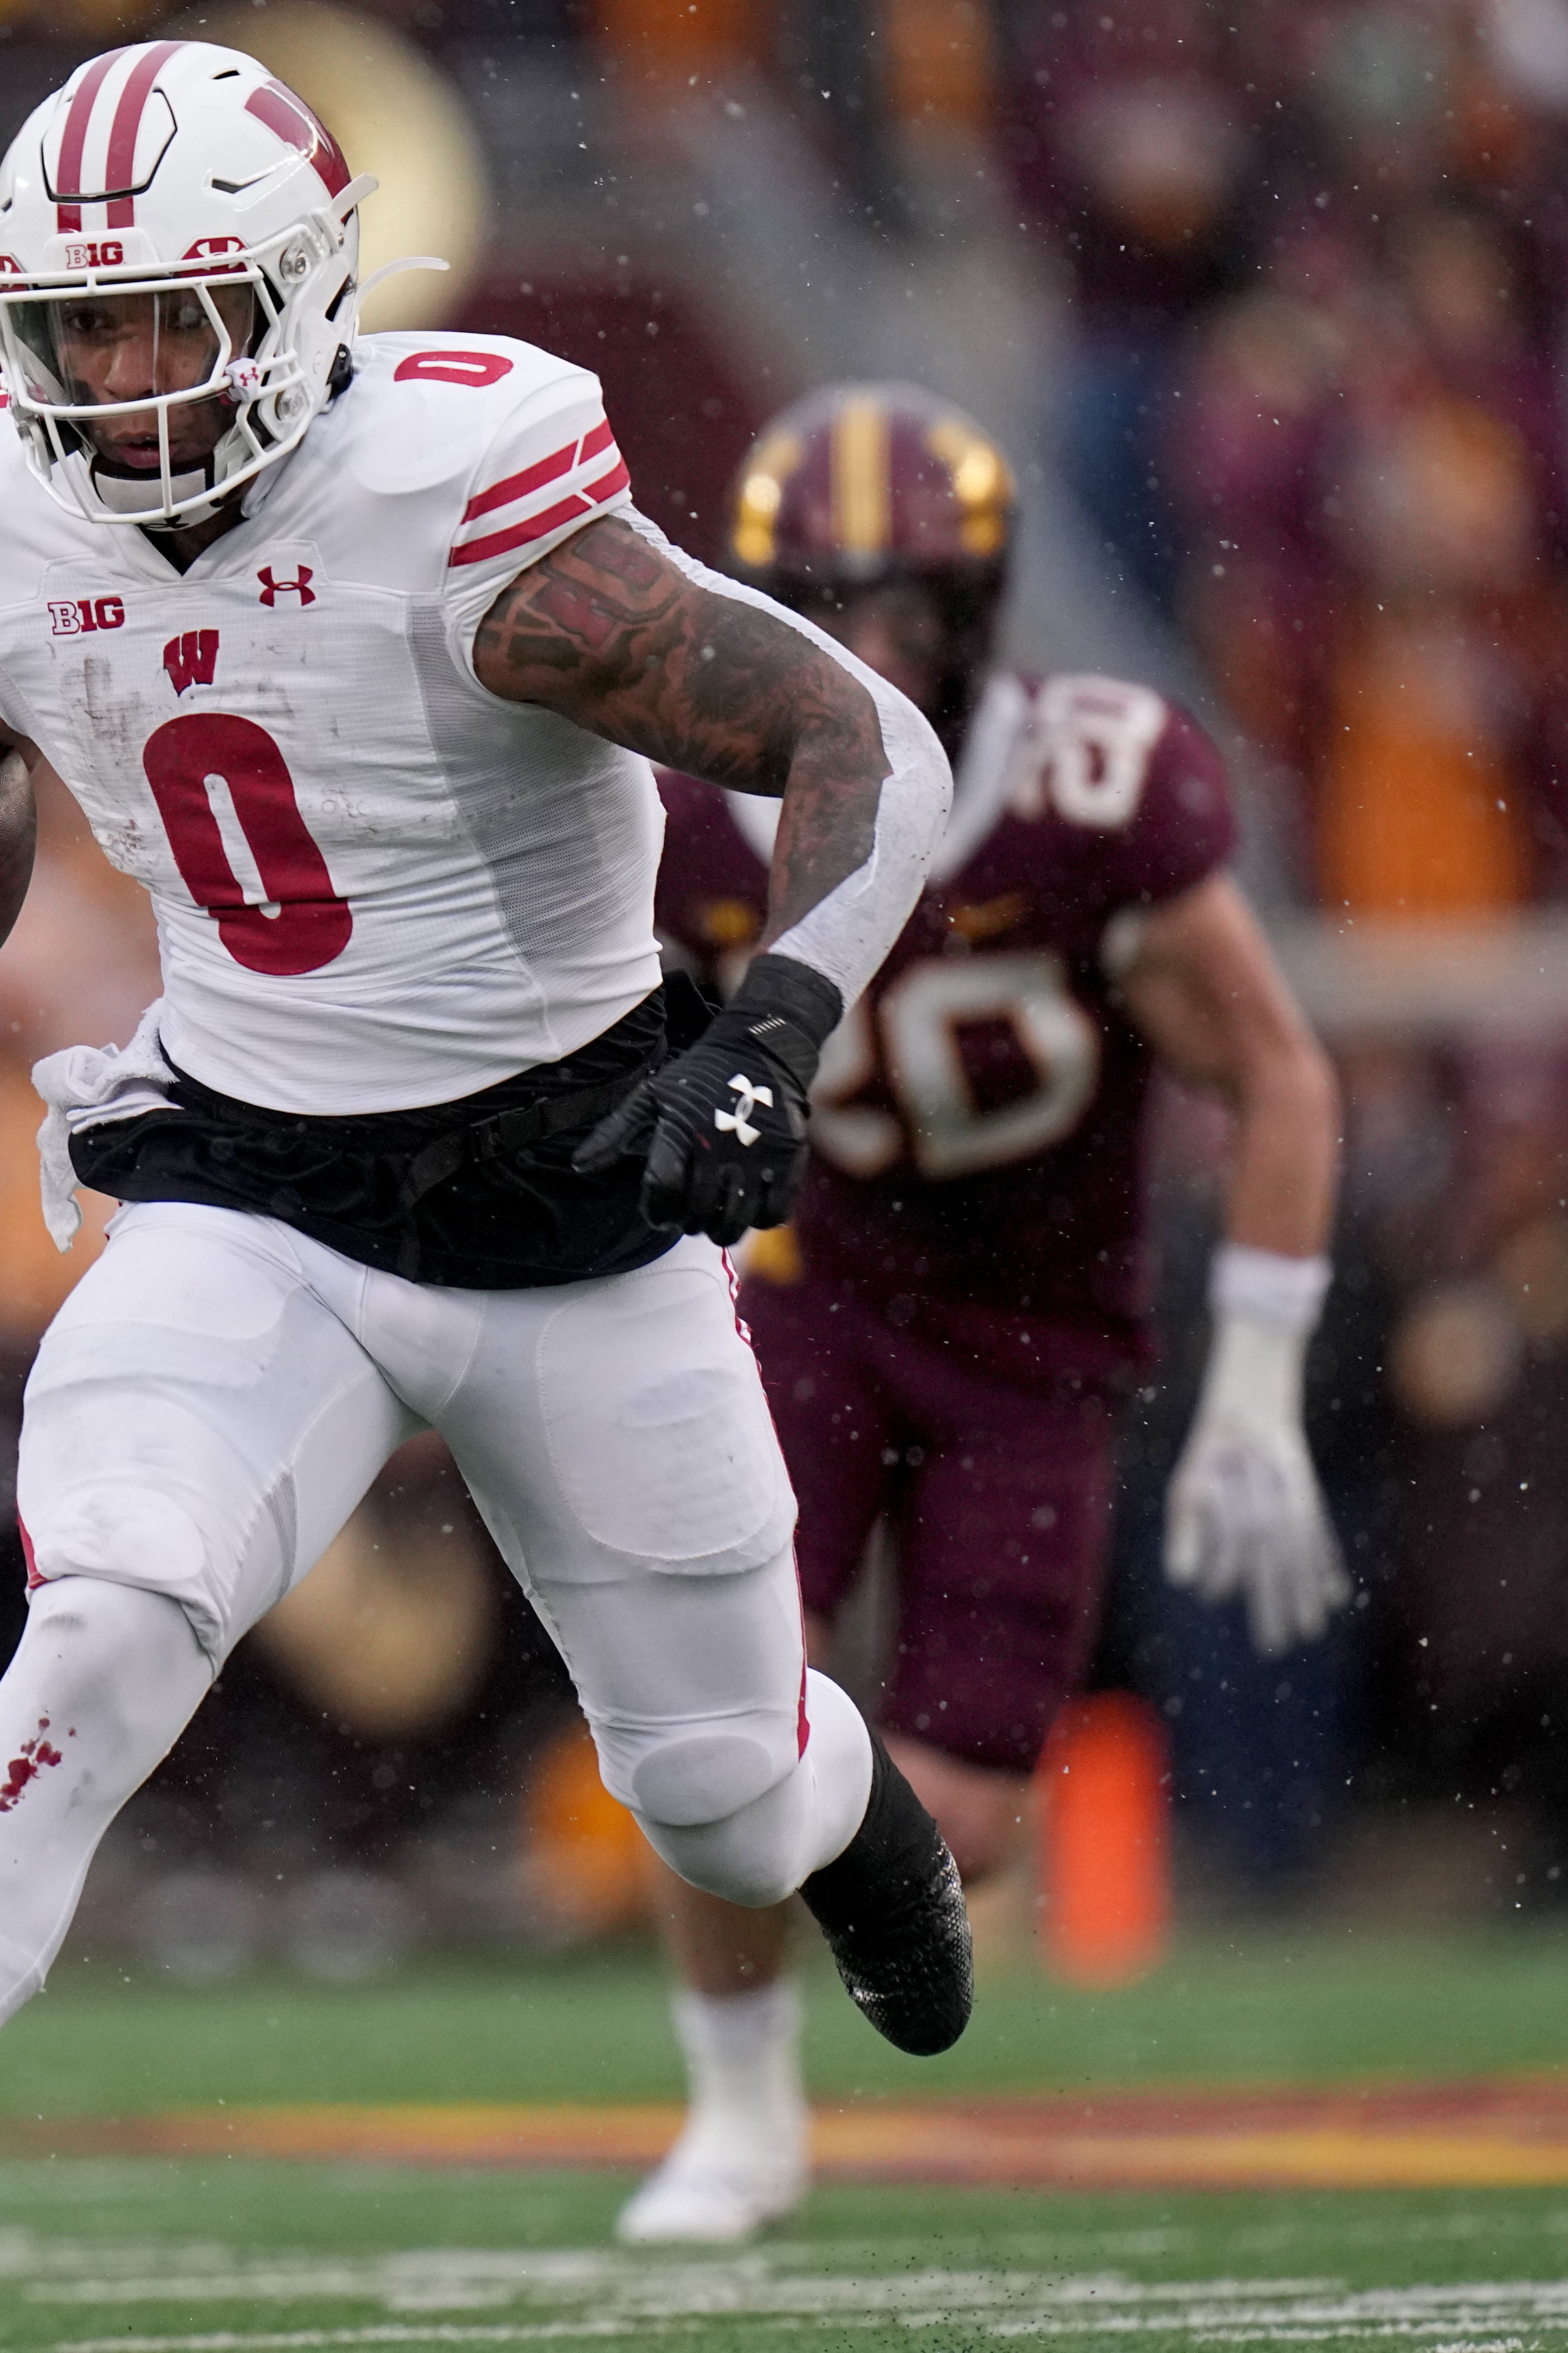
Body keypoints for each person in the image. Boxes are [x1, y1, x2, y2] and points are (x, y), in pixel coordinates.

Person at [0, 44, 965, 2351]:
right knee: (103, 1629)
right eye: (78, 330)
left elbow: (869, 734)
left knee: (715, 1797)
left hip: (576, 1193)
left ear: (307, 294)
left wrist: (773, 1035)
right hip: (253, 1186)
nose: (124, 382)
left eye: (175, 318)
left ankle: (849, 1818)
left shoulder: (465, 502)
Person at [619, 385, 1344, 2244]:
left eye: (912, 609)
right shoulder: (690, 811)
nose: (871, 652)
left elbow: (1277, 1067)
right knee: (710, 1722)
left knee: (971, 1820)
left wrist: (1258, 1381)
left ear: (984, 602)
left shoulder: (1097, 789)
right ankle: (740, 2103)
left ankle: (817, 1795)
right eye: (831, 609)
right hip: (812, 1297)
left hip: (1040, 1339)